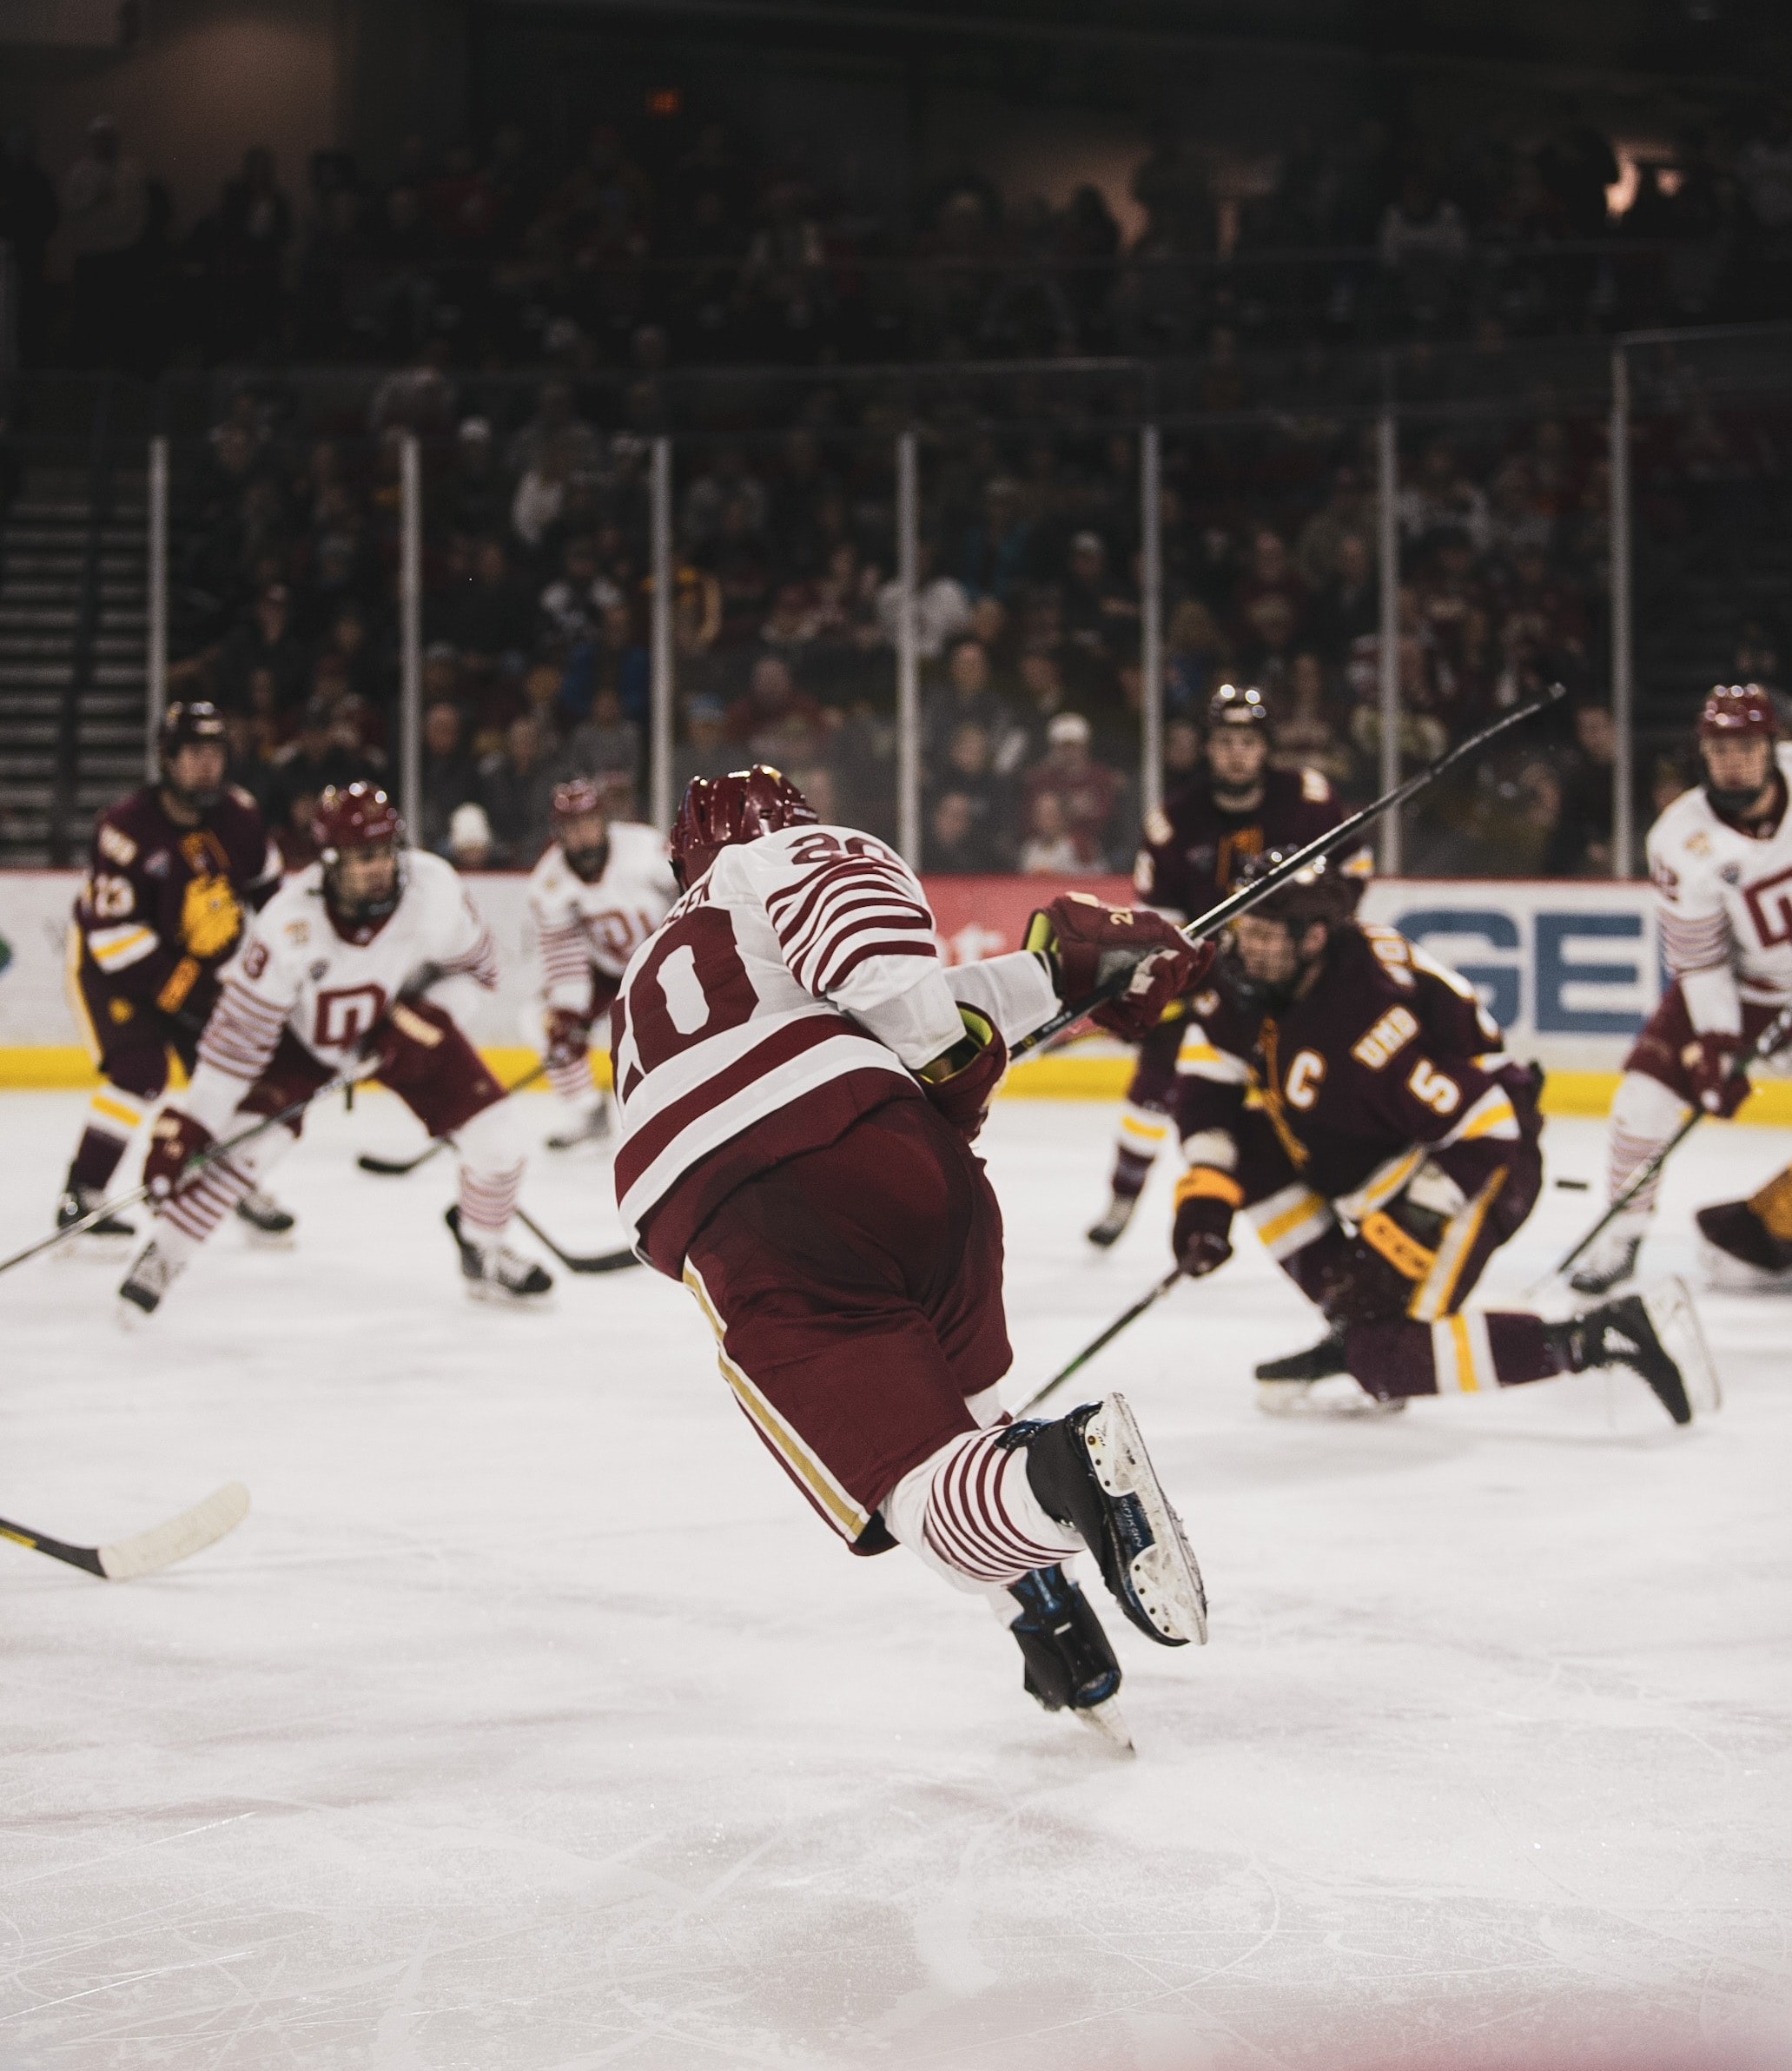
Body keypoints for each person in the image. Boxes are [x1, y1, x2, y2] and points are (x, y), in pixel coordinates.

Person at [608, 767, 1213, 1739]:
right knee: (970, 1438)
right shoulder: (787, 873)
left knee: (916, 1493)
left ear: (685, 858)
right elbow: (899, 992)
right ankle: (1047, 1620)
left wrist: (962, 1047)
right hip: (916, 1177)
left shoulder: (664, 954)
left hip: (753, 1222)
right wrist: (1059, 980)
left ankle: (1066, 1472)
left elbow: (897, 1000)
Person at [1164, 851, 1715, 1424]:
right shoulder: (1260, 978)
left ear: (1313, 939)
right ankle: (1357, 1325)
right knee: (1249, 1145)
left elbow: (1485, 1127)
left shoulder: (1365, 1023)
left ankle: (1602, 1336)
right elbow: (1208, 1081)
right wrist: (1206, 1191)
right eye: (1242, 928)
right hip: (1392, 1152)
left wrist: (1400, 1240)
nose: (1244, 947)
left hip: (1480, 1167)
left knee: (1386, 1360)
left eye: (1263, 935)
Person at [117, 784, 550, 1317]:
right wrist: (195, 1124)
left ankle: (484, 1250)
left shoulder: (432, 889)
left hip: (400, 1027)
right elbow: (236, 1047)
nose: (380, 867)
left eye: (385, 850)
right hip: (303, 1046)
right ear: (329, 861)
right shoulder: (286, 926)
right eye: (363, 856)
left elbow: (480, 971)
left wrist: (429, 1016)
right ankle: (164, 1255)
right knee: (247, 1148)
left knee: (501, 1141)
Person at [1086, 682, 1352, 1249]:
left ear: (1265, 748)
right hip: (1205, 980)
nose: (1236, 753)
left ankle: (1345, 1187)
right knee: (1155, 1082)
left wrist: (1312, 942)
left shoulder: (1307, 802)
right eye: (1226, 741)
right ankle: (1123, 1193)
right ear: (1208, 748)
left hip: (1291, 976)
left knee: (1325, 1075)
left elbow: (1352, 869)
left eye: (1248, 742)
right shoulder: (1176, 822)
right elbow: (1159, 921)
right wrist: (1165, 981)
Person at [1570, 685, 1792, 1294]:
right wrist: (1717, 1041)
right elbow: (1699, 959)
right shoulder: (1679, 838)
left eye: (1745, 747)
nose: (1732, 762)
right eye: (1719, 750)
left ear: (1771, 747)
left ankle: (1773, 1225)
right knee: (1642, 1098)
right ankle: (1620, 1239)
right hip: (1744, 988)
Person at [57, 701, 288, 1245]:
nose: (207, 765)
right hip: (109, 967)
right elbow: (114, 938)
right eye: (193, 753)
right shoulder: (125, 828)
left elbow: (275, 899)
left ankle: (231, 1184)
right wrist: (194, 991)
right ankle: (81, 1195)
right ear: (166, 758)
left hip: (193, 971)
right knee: (141, 1073)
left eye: (215, 752)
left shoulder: (239, 816)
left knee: (227, 1075)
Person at [526, 778, 678, 1151]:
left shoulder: (644, 848)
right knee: (539, 1020)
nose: (582, 834)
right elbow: (564, 952)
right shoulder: (549, 882)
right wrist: (569, 1014)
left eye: (588, 822)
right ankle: (588, 1112)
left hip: (665, 965)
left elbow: (692, 887)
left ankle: (679, 1110)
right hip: (607, 974)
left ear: (603, 820)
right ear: (559, 832)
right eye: (571, 827)